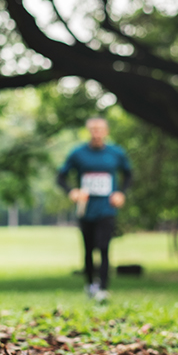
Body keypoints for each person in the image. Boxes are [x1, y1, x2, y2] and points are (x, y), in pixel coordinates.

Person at [57, 117, 132, 301]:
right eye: (93, 129)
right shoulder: (78, 153)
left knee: (104, 247)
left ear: (106, 131)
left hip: (107, 209)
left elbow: (129, 174)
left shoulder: (116, 153)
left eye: (100, 129)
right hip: (86, 209)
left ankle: (104, 288)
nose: (97, 132)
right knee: (89, 248)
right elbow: (61, 177)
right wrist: (72, 192)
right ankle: (90, 284)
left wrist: (121, 193)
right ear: (88, 131)